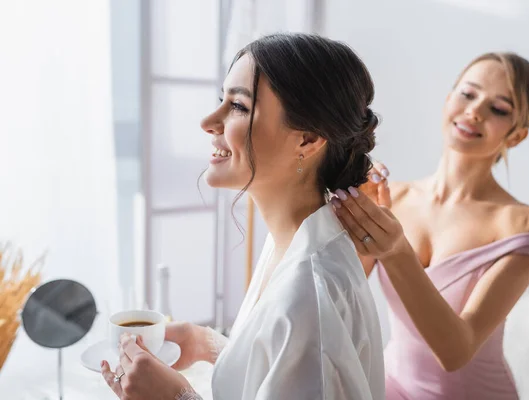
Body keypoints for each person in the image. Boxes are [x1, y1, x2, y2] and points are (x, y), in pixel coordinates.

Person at [102, 33, 385, 400]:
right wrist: (207, 344)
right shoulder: (296, 241)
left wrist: (178, 397)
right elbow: (282, 368)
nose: (209, 121)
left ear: (308, 140)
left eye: (237, 106)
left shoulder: (310, 290)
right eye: (223, 100)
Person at [332, 52, 529, 399]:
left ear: (516, 136)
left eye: (499, 109)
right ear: (449, 99)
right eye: (468, 94)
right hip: (390, 387)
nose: (475, 111)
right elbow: (341, 297)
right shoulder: (394, 199)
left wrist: (394, 247)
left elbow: (456, 352)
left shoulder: (522, 224)